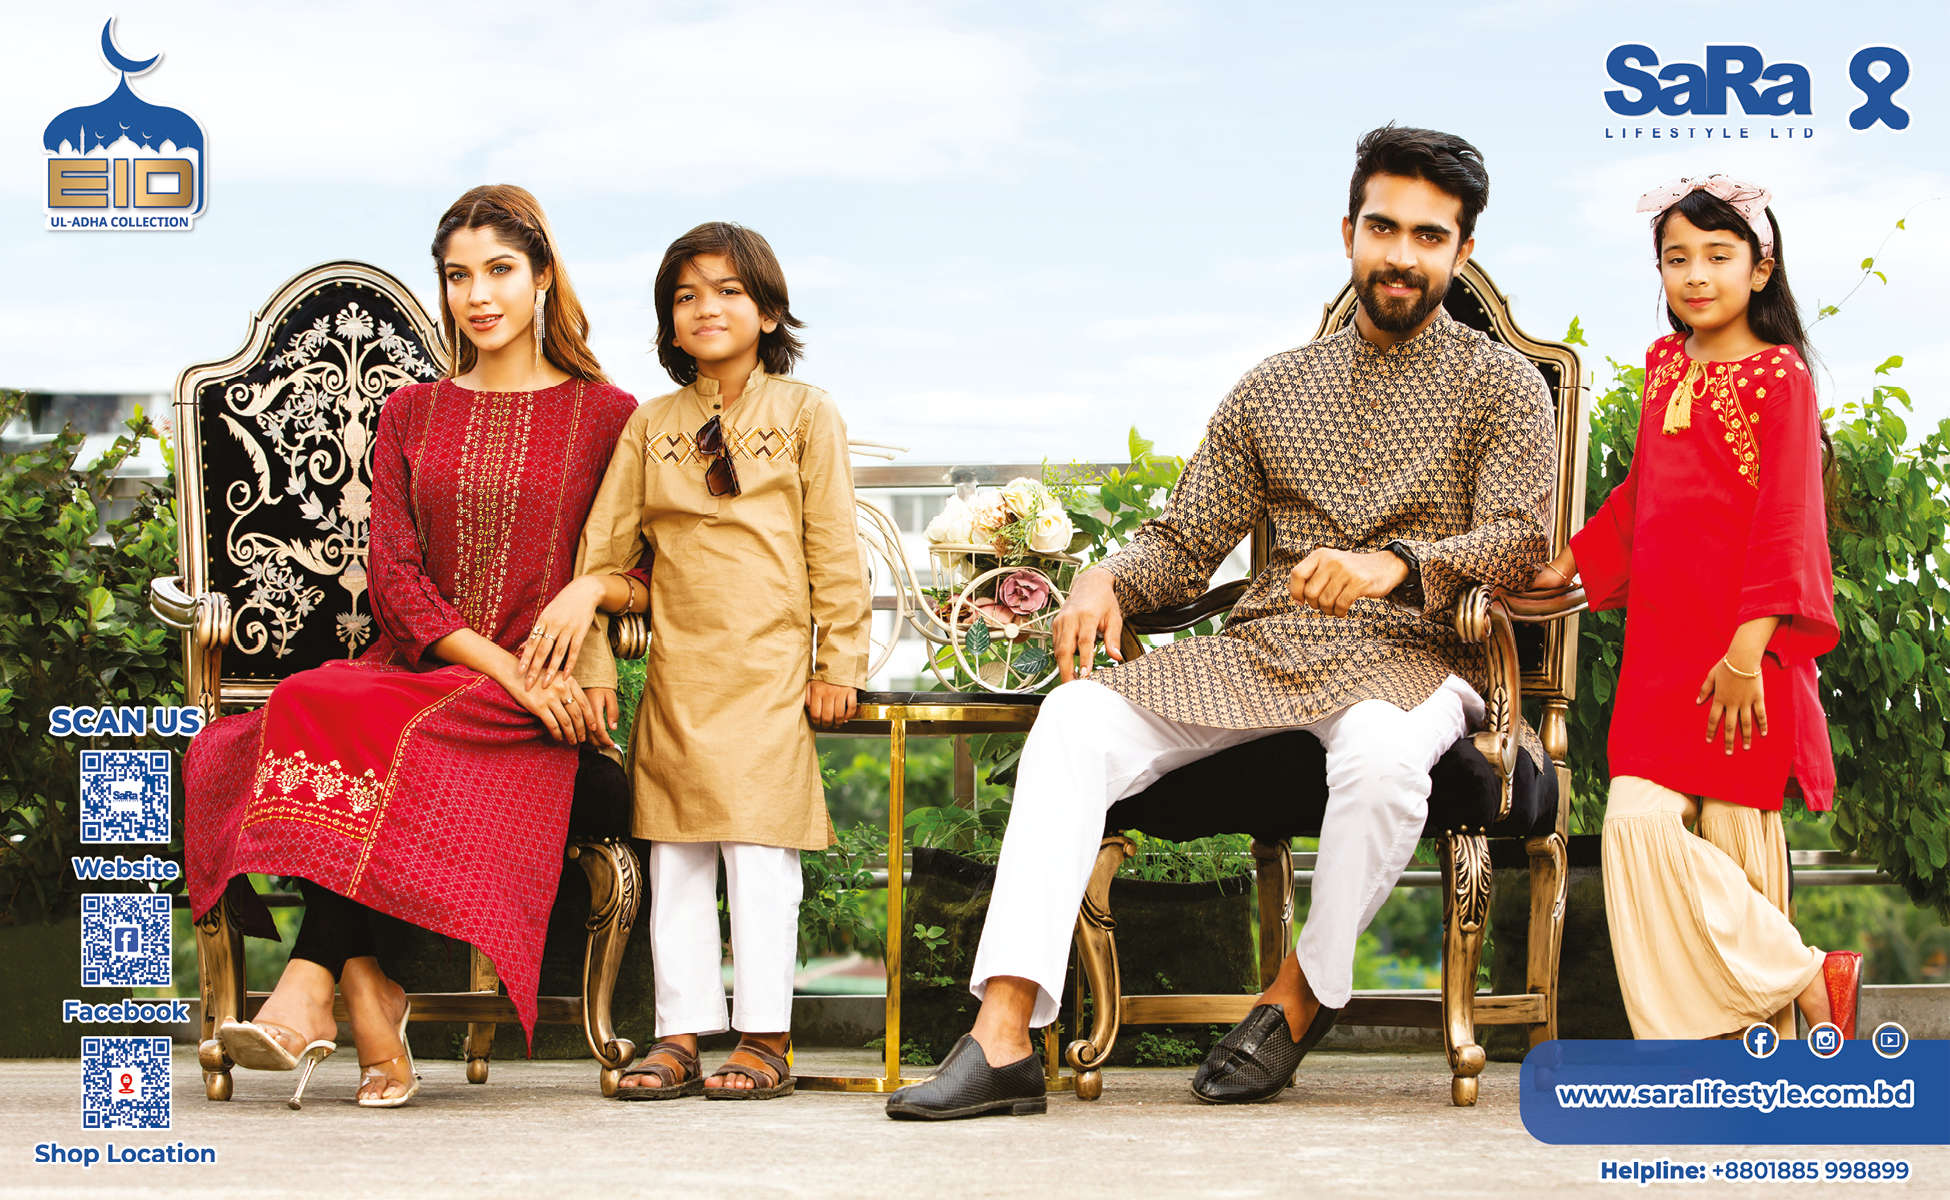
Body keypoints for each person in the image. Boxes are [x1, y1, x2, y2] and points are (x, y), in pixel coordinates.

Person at [886, 125, 1557, 1119]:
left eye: (1429, 236)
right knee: (1074, 719)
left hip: (1414, 656)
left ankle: (1300, 996)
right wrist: (1108, 577)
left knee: (1381, 758)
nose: (1402, 255)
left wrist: (1396, 566)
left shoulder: (1502, 387)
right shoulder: (1271, 387)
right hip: (1265, 651)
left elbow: (1522, 537)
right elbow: (1185, 540)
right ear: (1348, 233)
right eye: (1384, 228)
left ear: (1461, 252)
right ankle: (1004, 1034)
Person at [184, 185, 639, 1107]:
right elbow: (392, 579)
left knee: (373, 735)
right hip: (434, 673)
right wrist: (500, 664)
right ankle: (352, 986)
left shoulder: (608, 414)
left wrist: (591, 590)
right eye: (459, 276)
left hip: (535, 711)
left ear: (543, 277)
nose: (479, 295)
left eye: (500, 271)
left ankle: (329, 985)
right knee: (310, 697)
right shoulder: (411, 411)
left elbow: (653, 566)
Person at [526, 221, 870, 1100]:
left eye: (727, 291)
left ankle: (765, 1039)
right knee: (675, 855)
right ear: (668, 322)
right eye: (686, 296)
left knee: (760, 857)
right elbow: (603, 554)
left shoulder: (806, 414)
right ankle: (677, 1036)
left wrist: (839, 665)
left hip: (772, 674)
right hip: (680, 674)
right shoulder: (650, 426)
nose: (705, 308)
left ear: (768, 310)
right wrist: (595, 672)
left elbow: (834, 549)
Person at [1530, 176, 1858, 1041]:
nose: (1697, 275)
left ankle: (1757, 1053)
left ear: (1761, 268)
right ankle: (1805, 975)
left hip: (1742, 657)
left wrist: (1746, 658)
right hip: (1661, 654)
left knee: (1733, 834)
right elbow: (1643, 493)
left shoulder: (1781, 378)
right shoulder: (1665, 364)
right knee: (1636, 828)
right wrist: (1566, 564)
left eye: (1718, 256)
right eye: (1677, 259)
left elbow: (1788, 520)